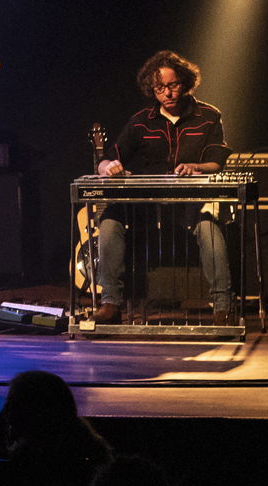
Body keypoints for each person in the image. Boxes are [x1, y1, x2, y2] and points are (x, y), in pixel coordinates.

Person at [91, 50, 232, 323]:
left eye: (173, 85)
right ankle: (110, 303)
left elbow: (217, 162)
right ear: (151, 89)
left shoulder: (208, 116)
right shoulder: (141, 121)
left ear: (185, 82)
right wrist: (107, 167)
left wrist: (196, 168)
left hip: (189, 202)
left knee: (209, 225)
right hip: (146, 204)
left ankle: (223, 306)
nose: (167, 93)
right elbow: (108, 157)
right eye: (159, 88)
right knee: (109, 221)